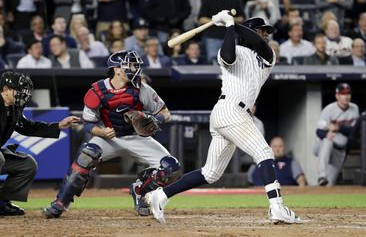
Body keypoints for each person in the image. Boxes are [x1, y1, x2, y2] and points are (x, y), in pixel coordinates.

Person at [145, 13, 300, 224]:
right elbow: (229, 56)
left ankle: (160, 196)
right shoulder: (230, 49)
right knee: (264, 152)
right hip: (229, 111)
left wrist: (231, 24)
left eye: (266, 32)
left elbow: (255, 41)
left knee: (211, 173)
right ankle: (277, 207)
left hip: (234, 114)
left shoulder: (267, 55)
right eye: (262, 31)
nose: (265, 35)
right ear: (250, 32)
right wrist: (229, 28)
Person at [43, 50, 181, 218]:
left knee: (171, 168)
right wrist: (100, 131)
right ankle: (61, 202)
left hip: (137, 137)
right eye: (131, 65)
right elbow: (88, 124)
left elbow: (166, 113)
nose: (135, 68)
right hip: (108, 137)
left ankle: (140, 191)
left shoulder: (142, 89)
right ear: (117, 69)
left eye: (136, 65)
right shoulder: (97, 90)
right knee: (87, 155)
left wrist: (155, 119)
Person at [0, 71, 80, 216]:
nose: (23, 94)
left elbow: (28, 126)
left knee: (27, 165)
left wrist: (58, 125)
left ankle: (1, 203)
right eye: (18, 90)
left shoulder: (14, 108)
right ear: (5, 89)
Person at [314, 83, 359, 186]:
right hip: (323, 147)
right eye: (343, 94)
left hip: (339, 150)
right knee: (328, 139)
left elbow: (354, 131)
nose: (346, 96)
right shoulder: (329, 109)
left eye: (348, 93)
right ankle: (322, 174)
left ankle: (323, 182)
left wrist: (339, 127)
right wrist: (327, 132)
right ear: (337, 96)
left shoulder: (354, 109)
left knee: (330, 183)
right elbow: (318, 131)